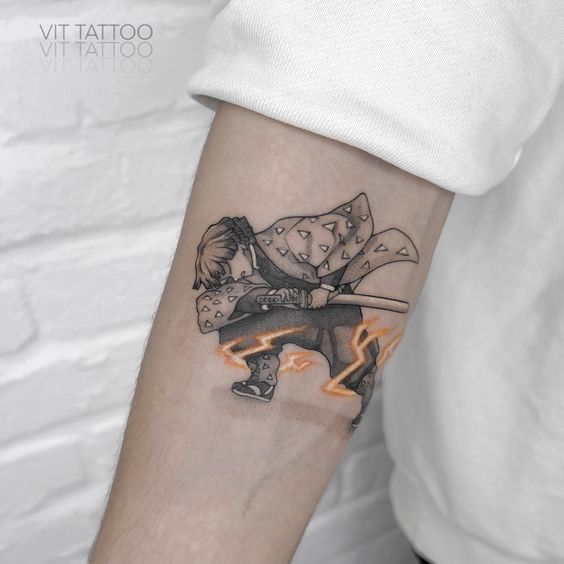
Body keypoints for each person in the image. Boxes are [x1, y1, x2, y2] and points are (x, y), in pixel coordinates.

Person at [91, 2, 564, 563]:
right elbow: (358, 82)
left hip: (504, 486)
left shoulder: (300, 249)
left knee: (339, 353)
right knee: (253, 340)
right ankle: (265, 378)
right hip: (500, 521)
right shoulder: (250, 266)